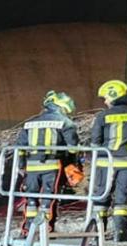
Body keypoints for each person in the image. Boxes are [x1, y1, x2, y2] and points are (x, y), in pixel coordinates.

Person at [90, 79, 127, 240]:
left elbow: (95, 142)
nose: (105, 101)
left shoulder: (103, 116)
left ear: (113, 96)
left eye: (106, 98)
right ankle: (121, 233)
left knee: (101, 198)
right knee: (122, 200)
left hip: (106, 163)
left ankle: (98, 233)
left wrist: (91, 162)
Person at [16, 90, 79, 232]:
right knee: (48, 197)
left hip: (31, 166)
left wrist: (21, 165)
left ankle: (29, 227)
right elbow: (73, 148)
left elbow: (20, 147)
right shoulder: (65, 122)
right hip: (52, 166)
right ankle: (45, 228)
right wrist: (72, 165)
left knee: (31, 197)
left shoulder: (29, 123)